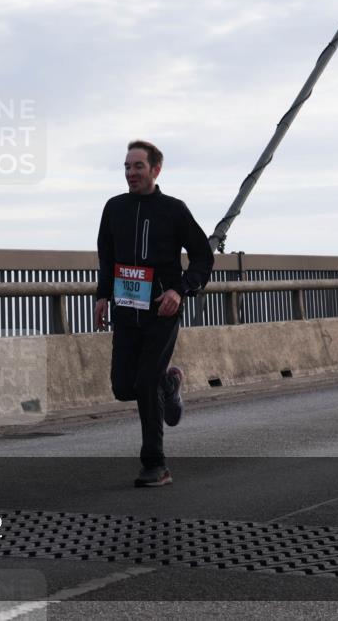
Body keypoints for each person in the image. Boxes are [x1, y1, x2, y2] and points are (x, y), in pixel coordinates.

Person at [94, 140, 214, 487]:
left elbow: (203, 257)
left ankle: (155, 465)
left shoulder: (173, 210)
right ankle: (169, 382)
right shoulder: (114, 208)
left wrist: (181, 289)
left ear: (155, 170)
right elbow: (107, 257)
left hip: (162, 310)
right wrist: (103, 296)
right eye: (127, 167)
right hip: (126, 310)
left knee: (144, 382)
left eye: (138, 166)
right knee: (122, 387)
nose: (131, 173)